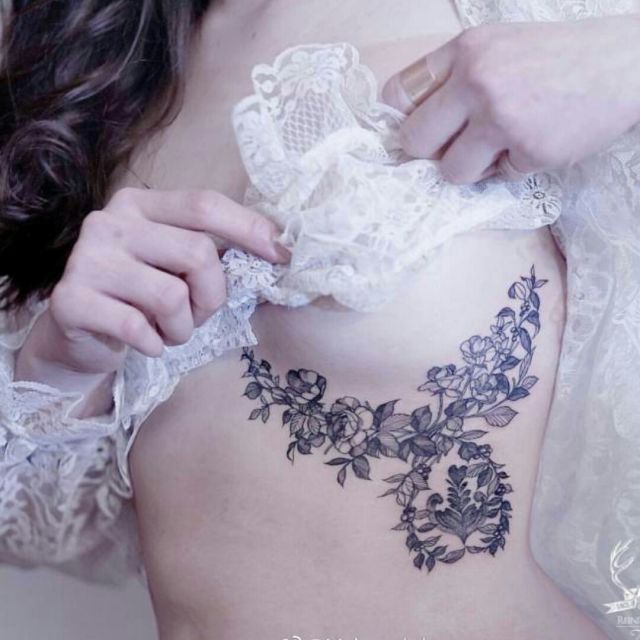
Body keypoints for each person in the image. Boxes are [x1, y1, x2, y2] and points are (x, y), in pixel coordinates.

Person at [0, 1, 638, 640]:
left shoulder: (542, 16)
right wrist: (58, 371)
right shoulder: (97, 74)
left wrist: (623, 55)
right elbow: (45, 534)